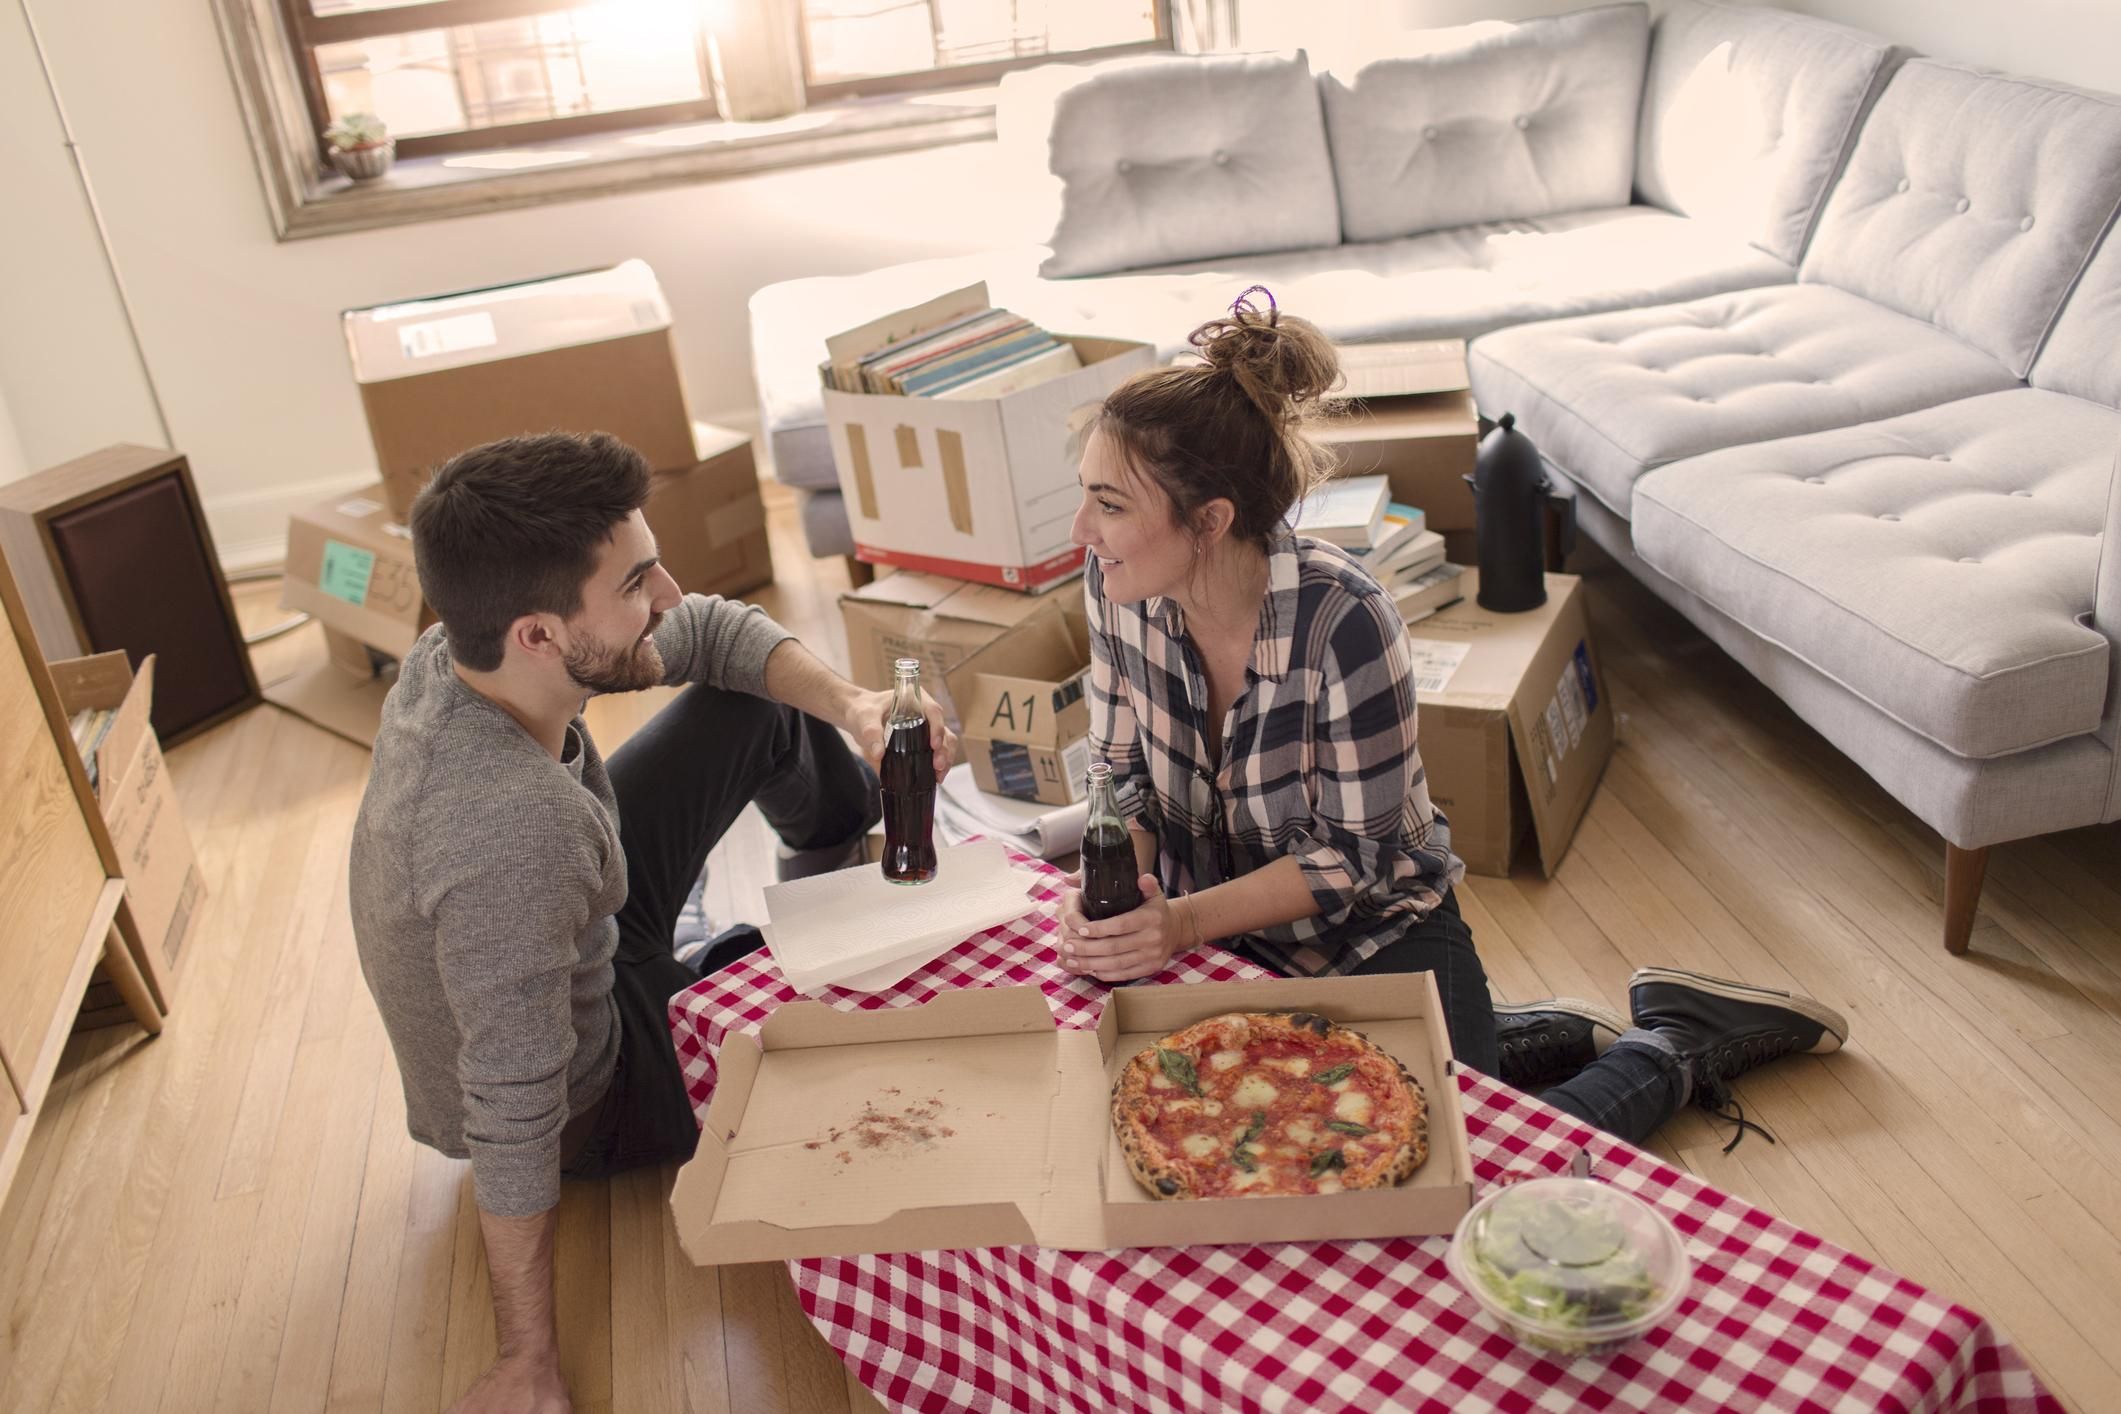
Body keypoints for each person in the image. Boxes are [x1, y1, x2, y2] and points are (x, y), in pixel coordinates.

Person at [1056, 287, 1847, 1155]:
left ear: (1209, 522)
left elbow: (1348, 862)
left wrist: (1176, 924)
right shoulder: (1118, 588)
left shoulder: (1344, 622)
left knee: (1457, 1166)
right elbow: (1118, 780)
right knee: (1231, 1139)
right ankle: (1509, 1039)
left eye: (1110, 503)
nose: (1081, 528)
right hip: (1215, 926)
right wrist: (1119, 898)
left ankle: (1677, 1042)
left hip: (1365, 933)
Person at [349, 432, 953, 1414]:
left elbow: (711, 630)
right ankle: (741, 956)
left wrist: (856, 704)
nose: (667, 594)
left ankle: (826, 859)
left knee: (766, 703)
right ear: (540, 634)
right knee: (865, 1014)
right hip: (594, 1096)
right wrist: (527, 1358)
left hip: (579, 925)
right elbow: (513, 1104)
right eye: (637, 581)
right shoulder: (509, 830)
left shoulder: (461, 645)